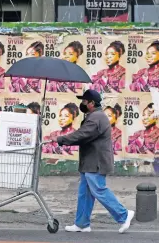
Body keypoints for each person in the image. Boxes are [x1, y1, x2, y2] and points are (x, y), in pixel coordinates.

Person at [50, 89, 134, 233]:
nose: (82, 103)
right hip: (89, 161)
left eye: (84, 101)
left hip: (96, 162)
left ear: (91, 103)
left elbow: (82, 135)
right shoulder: (93, 116)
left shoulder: (97, 118)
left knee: (99, 190)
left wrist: (60, 139)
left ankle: (124, 215)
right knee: (85, 193)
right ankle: (82, 223)